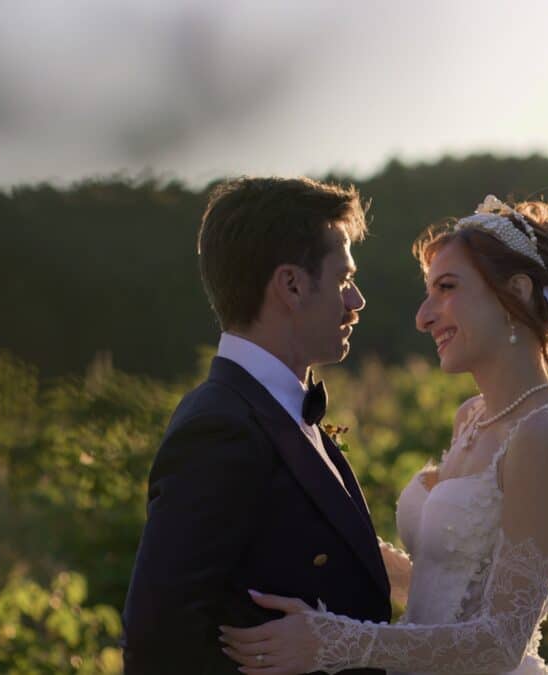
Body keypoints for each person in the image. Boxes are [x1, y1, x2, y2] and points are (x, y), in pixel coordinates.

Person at [220, 193, 548, 674]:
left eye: (447, 288)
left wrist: (336, 641)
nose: (424, 316)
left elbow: (500, 643)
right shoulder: (472, 417)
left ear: (518, 292)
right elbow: (444, 584)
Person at [120, 177, 391, 674]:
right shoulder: (220, 428)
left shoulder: (272, 408)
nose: (356, 302)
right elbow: (156, 643)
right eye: (343, 280)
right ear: (290, 285)